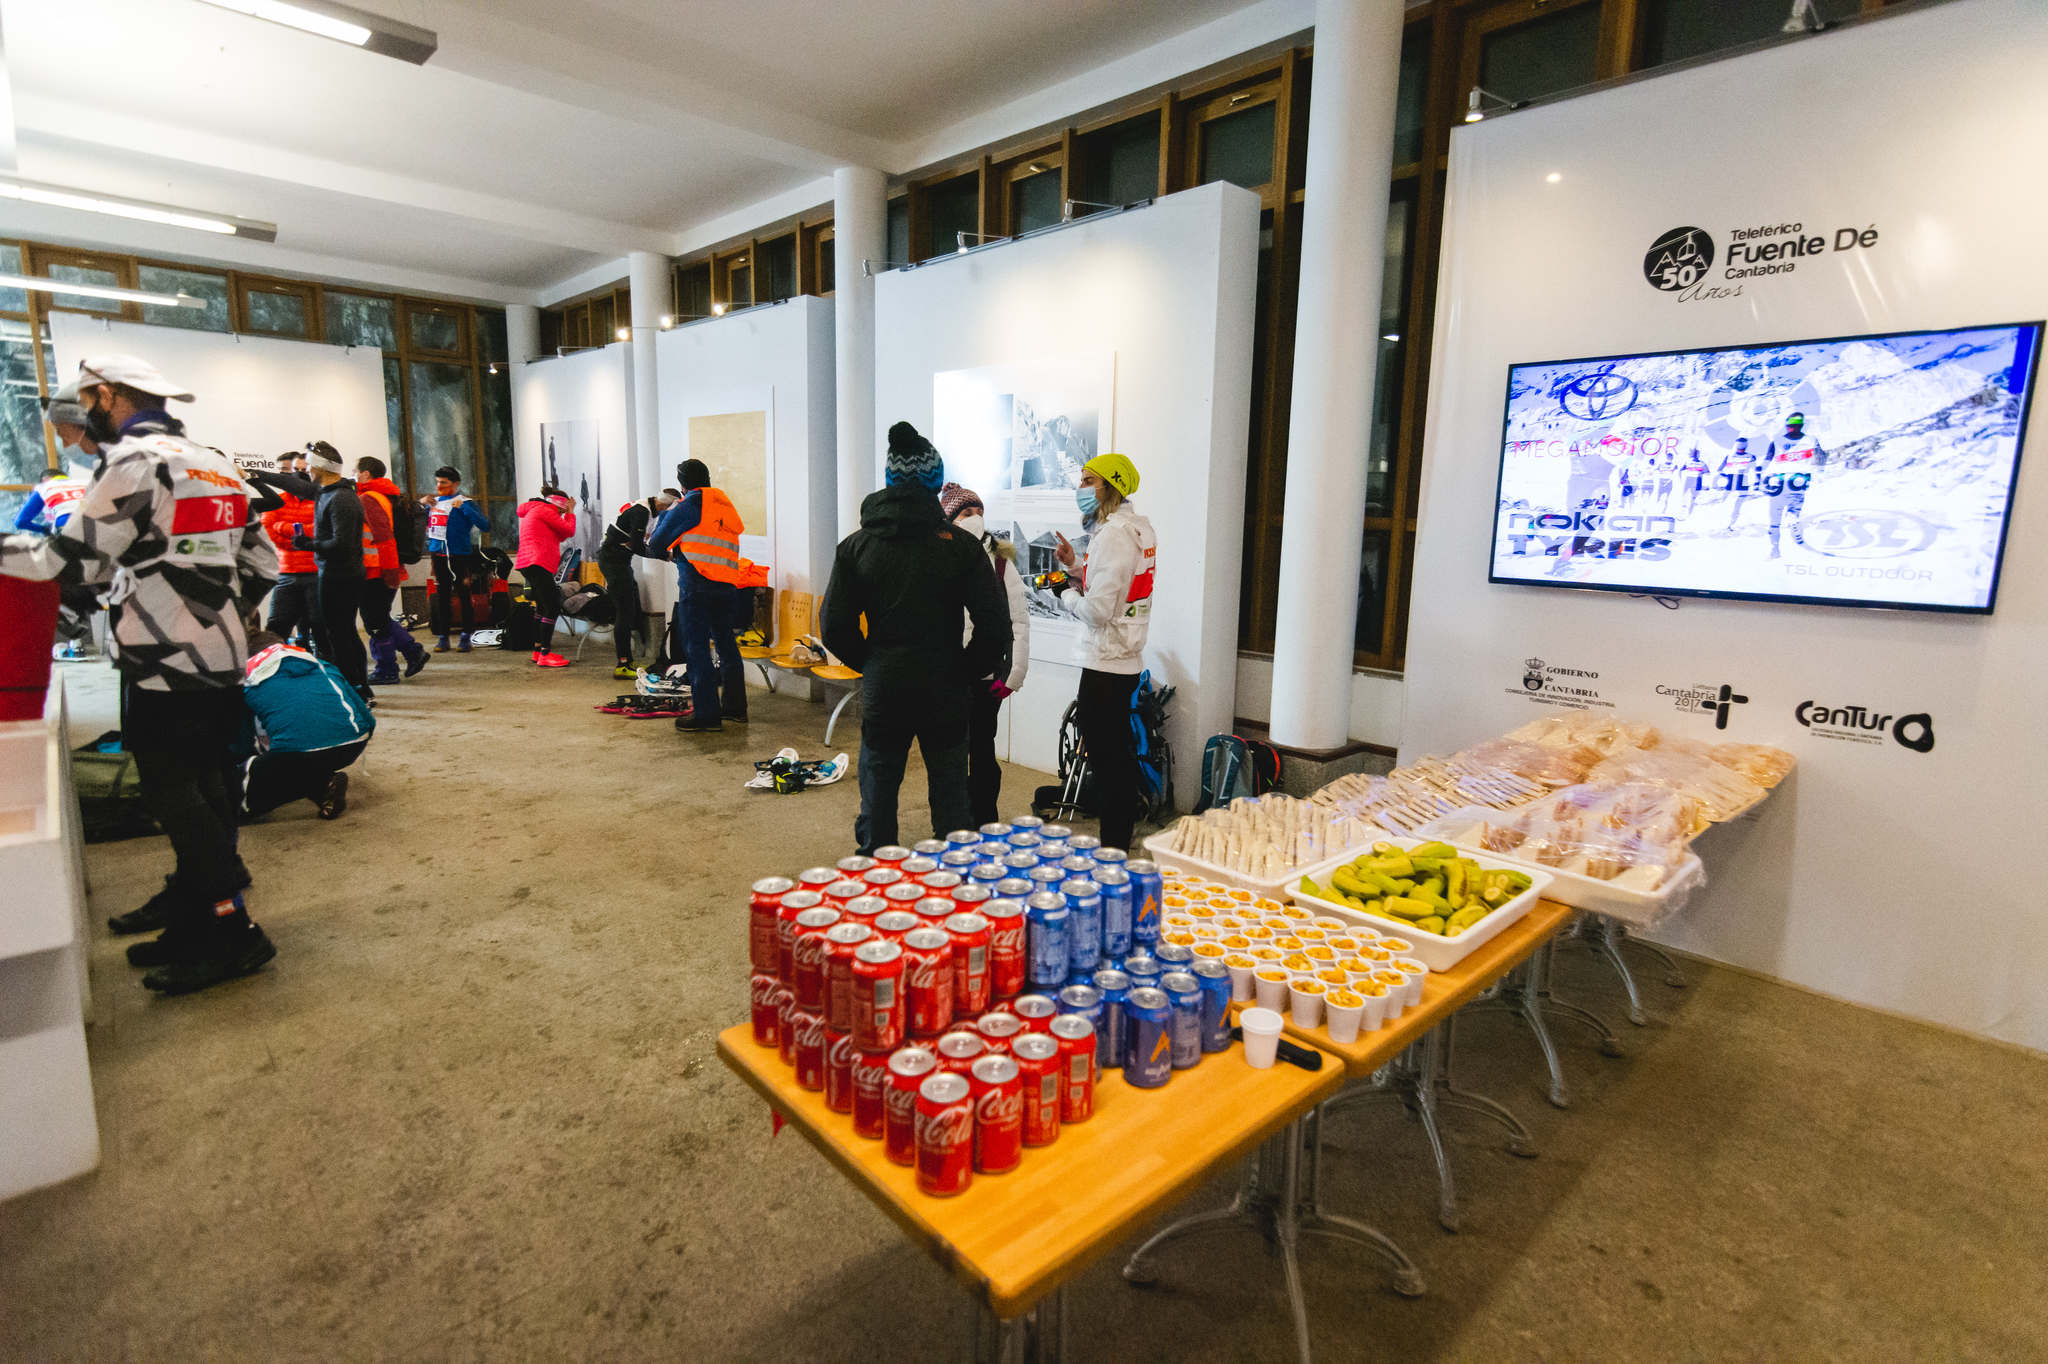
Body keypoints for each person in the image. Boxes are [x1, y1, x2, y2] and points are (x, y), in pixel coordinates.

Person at [0, 354, 279, 994]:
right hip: (220, 656)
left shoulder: (135, 462)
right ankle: (194, 923)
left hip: (160, 663)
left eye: (84, 407)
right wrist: (214, 613)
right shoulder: (214, 461)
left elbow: (59, 559)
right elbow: (264, 563)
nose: (77, 428)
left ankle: (234, 931)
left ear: (104, 394)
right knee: (206, 790)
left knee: (174, 796)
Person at [822, 422, 1008, 853]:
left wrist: (871, 662)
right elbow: (994, 623)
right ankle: (954, 887)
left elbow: (834, 625)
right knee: (950, 793)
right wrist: (966, 669)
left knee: (879, 787)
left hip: (886, 682)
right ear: (935, 484)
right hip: (945, 682)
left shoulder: (857, 546)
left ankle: (875, 878)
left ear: (889, 481)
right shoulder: (960, 547)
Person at [1047, 451, 1156, 853]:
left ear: (1109, 486)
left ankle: (1113, 847)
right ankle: (1118, 840)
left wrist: (1064, 593)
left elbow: (1096, 611)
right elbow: (1118, 584)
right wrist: (1076, 566)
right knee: (1117, 755)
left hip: (1106, 661)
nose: (1080, 489)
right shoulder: (1137, 529)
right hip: (1124, 660)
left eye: (1087, 481)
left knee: (1108, 761)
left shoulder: (1113, 535)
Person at [940, 482, 1030, 825]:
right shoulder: (937, 557)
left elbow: (1019, 620)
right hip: (947, 674)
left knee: (982, 752)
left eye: (979, 512)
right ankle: (954, 821)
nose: (975, 518)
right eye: (966, 513)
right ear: (950, 519)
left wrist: (1014, 675)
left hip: (987, 676)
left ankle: (984, 821)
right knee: (949, 754)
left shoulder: (1002, 562)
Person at [647, 459, 747, 730]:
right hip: (727, 585)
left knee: (697, 648)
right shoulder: (725, 505)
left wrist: (668, 553)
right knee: (726, 645)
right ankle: (735, 708)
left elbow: (656, 543)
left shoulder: (688, 505)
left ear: (682, 483)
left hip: (697, 585)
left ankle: (706, 716)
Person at [236, 629, 374, 820]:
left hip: (296, 751)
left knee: (234, 797)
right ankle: (323, 784)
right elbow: (363, 710)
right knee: (302, 757)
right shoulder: (321, 664)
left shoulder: (247, 678)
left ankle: (313, 784)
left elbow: (240, 739)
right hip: (354, 743)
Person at [292, 441, 370, 696]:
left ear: (320, 468)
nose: (307, 472)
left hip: (342, 575)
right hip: (336, 573)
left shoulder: (341, 498)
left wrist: (309, 545)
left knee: (340, 634)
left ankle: (354, 687)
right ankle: (358, 686)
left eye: (309, 467)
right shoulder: (329, 493)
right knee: (342, 631)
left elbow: (342, 544)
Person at [353, 455, 427, 684]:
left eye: (356, 470)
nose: (353, 474)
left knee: (374, 621)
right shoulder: (387, 495)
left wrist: (390, 571)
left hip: (377, 570)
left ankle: (389, 667)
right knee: (378, 618)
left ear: (366, 474)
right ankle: (410, 653)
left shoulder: (368, 498)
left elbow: (384, 538)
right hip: (383, 568)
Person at [599, 489, 676, 679]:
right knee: (624, 612)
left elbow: (642, 541)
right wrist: (666, 556)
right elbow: (637, 546)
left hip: (620, 561)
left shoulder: (649, 509)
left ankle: (627, 660)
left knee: (630, 609)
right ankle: (622, 664)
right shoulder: (641, 512)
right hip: (613, 562)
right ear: (664, 506)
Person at [250, 450, 318, 649]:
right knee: (276, 626)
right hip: (287, 573)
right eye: (291, 471)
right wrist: (300, 539)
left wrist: (286, 529)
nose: (296, 475)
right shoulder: (279, 500)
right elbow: (271, 532)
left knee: (321, 629)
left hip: (316, 572)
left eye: (301, 470)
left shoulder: (320, 500)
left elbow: (322, 530)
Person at [424, 465, 490, 652]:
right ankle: (443, 637)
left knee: (464, 595)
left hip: (459, 556)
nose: (439, 486)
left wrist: (464, 510)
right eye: (437, 482)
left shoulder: (465, 502)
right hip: (438, 556)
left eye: (443, 483)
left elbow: (485, 525)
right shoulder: (433, 502)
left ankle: (465, 636)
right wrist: (422, 504)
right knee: (442, 597)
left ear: (455, 484)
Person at [513, 485, 576, 668]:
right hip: (538, 562)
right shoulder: (546, 510)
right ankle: (545, 654)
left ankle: (538, 649)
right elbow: (570, 531)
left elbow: (562, 534)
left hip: (530, 563)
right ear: (560, 504)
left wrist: (565, 515)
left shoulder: (537, 510)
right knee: (552, 607)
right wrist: (571, 512)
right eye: (565, 506)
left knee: (542, 606)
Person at [1763, 410, 1828, 560]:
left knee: (1774, 519)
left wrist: (1761, 477)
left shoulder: (1777, 440)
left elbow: (1767, 460)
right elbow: (1821, 457)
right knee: (1793, 510)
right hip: (1798, 480)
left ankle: (1774, 550)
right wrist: (1819, 473)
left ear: (1787, 425)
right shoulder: (1811, 440)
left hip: (1778, 481)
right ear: (1802, 425)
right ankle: (1793, 521)